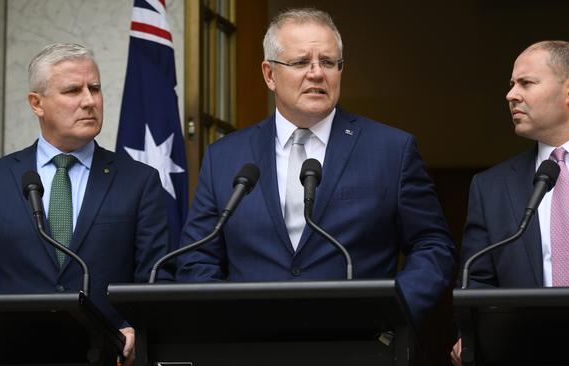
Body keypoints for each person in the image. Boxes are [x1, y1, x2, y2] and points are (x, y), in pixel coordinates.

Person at [175, 6, 456, 351]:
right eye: (300, 62)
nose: (316, 73)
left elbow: (433, 246)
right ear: (269, 74)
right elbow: (196, 258)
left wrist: (396, 310)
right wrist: (227, 321)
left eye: (328, 62)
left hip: (361, 347)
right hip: (249, 348)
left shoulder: (391, 150)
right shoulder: (226, 157)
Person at [453, 40, 569, 364]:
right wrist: (468, 336)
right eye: (511, 84)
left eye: (526, 83)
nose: (511, 95)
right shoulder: (491, 187)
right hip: (525, 352)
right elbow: (477, 280)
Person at [0, 43, 170, 364]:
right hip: (12, 352)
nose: (89, 101)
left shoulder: (139, 181)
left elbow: (158, 278)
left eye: (95, 88)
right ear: (37, 103)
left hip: (106, 354)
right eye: (73, 90)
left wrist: (136, 329)